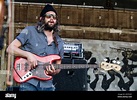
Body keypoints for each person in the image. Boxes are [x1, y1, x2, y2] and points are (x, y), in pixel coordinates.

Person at [6, 4, 64, 91]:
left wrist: (54, 71)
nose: (52, 19)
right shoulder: (29, 31)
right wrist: (28, 55)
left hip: (47, 85)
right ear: (41, 18)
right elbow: (10, 48)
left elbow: (58, 67)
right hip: (29, 82)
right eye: (48, 16)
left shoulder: (59, 42)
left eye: (54, 17)